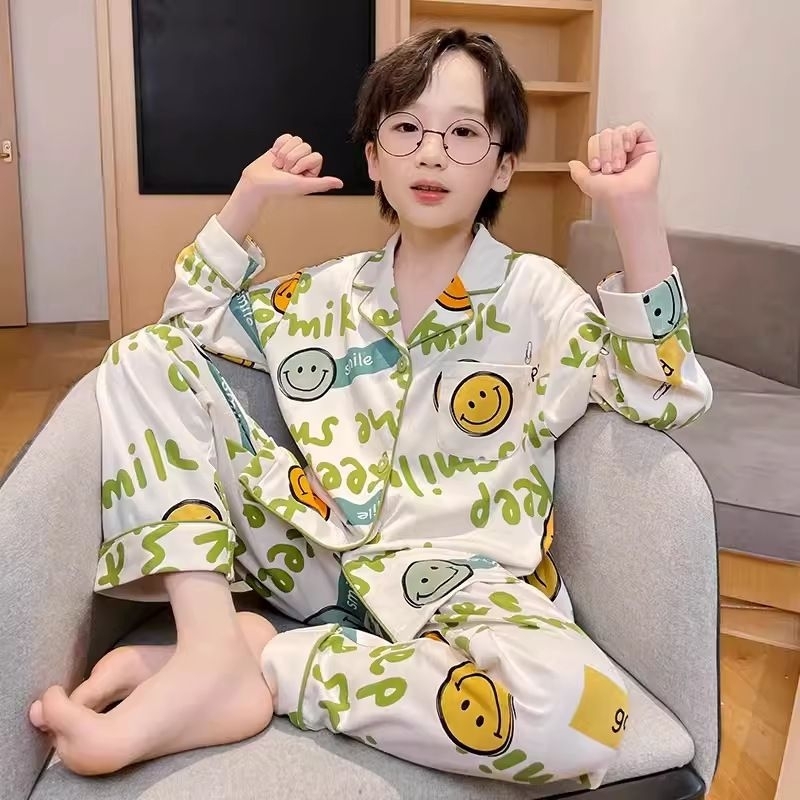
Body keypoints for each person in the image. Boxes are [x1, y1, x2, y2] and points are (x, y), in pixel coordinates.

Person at [29, 27, 712, 788]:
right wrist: (248, 198)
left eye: (464, 133)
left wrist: (634, 216)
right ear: (374, 159)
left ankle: (260, 661)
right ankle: (208, 641)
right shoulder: (323, 292)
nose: (431, 154)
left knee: (582, 715)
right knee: (142, 354)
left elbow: (661, 396)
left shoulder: (538, 296)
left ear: (503, 165)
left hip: (464, 582)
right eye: (407, 129)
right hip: (310, 554)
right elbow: (185, 324)